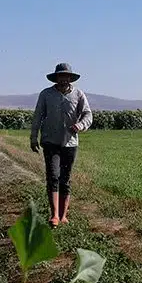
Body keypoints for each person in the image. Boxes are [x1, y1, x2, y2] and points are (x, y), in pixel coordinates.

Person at [29, 63, 93, 226]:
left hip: (70, 143)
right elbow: (38, 116)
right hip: (50, 141)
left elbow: (88, 114)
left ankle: (63, 215)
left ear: (70, 78)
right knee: (53, 176)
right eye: (60, 76)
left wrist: (80, 125)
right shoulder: (46, 94)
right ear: (56, 78)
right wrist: (33, 137)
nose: (63, 79)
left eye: (66, 76)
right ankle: (54, 215)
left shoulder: (79, 94)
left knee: (65, 178)